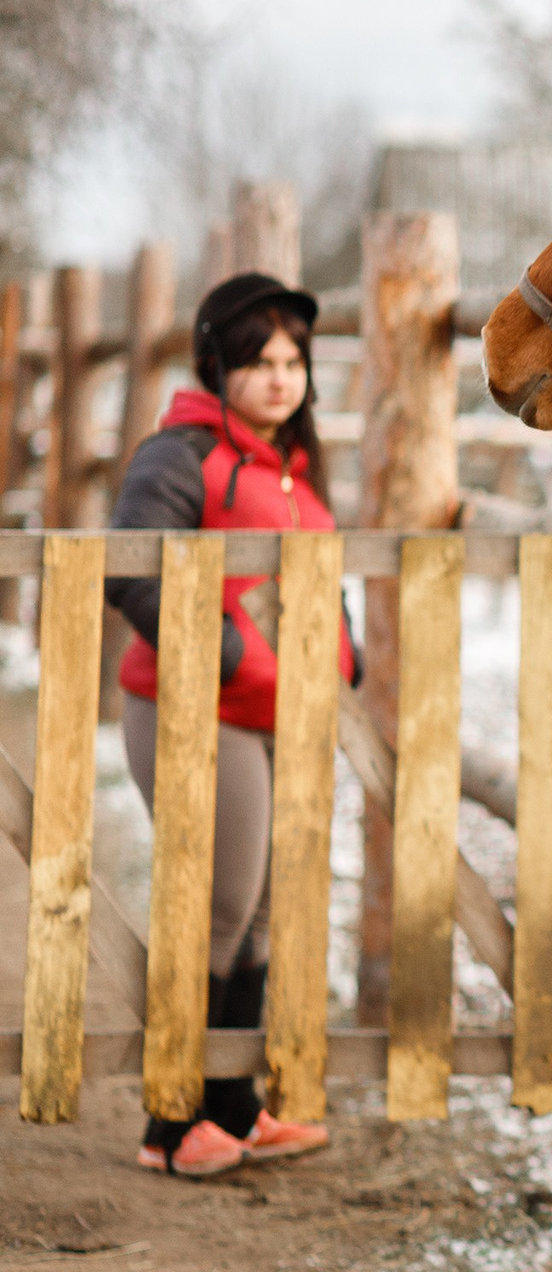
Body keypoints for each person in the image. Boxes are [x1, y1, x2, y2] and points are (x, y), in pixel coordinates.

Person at [105, 272, 357, 1177]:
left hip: (279, 717)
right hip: (194, 708)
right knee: (219, 906)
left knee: (255, 921)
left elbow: (318, 570)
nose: (279, 380)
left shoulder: (293, 463)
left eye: (292, 362)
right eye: (257, 363)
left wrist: (345, 653)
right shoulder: (180, 454)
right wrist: (232, 655)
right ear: (217, 367)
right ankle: (169, 1125)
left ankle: (233, 1110)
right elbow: (132, 570)